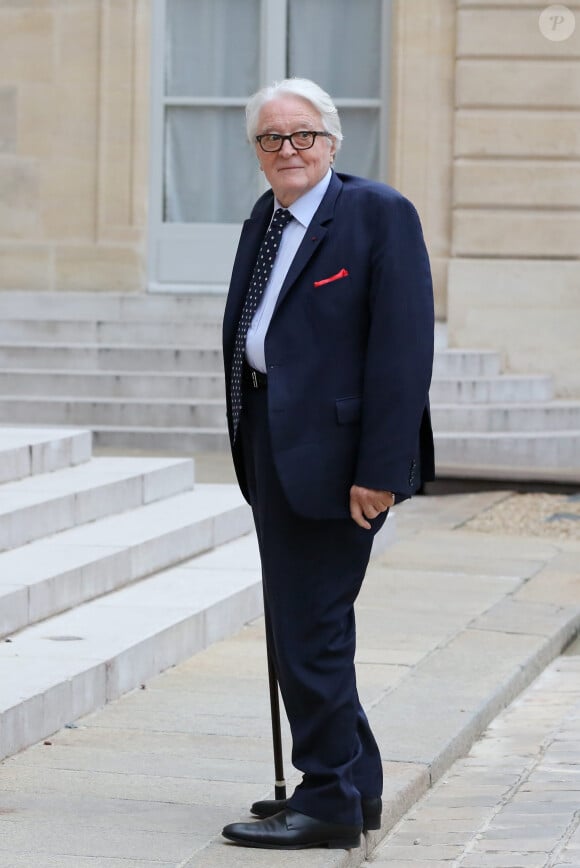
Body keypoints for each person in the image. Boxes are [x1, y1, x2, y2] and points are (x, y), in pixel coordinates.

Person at [221, 77, 434, 851]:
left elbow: (403, 353)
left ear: (334, 141)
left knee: (310, 629)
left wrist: (382, 470)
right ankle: (354, 784)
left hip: (341, 462)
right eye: (271, 139)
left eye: (302, 134)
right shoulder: (266, 217)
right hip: (272, 446)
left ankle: (327, 801)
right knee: (301, 623)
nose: (288, 150)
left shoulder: (378, 212)